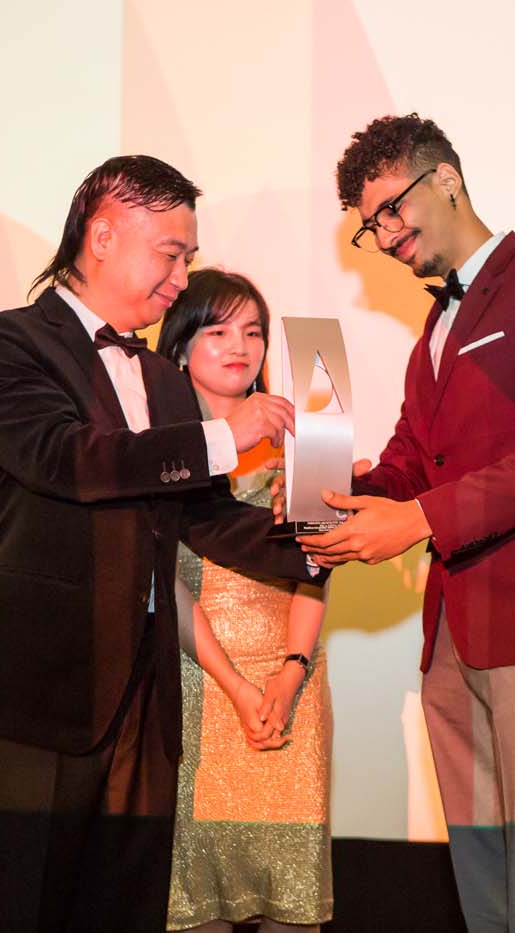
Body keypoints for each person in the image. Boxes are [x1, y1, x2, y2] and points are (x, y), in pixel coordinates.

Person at [0, 155, 323, 933]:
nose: (182, 278)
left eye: (188, 257)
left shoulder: (161, 376)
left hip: (145, 707)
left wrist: (327, 537)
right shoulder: (4, 344)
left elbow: (206, 520)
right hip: (37, 694)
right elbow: (70, 459)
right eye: (171, 254)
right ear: (104, 235)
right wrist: (224, 436)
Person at [298, 114, 515, 931]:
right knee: (486, 894)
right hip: (455, 640)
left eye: (389, 209)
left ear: (446, 178)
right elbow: (414, 459)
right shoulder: (434, 330)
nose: (383, 236)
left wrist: (417, 517)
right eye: (369, 226)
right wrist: (327, 490)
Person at [155, 269, 333, 932]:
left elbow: (318, 568)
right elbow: (160, 575)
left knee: (292, 898)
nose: (240, 345)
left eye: (253, 331)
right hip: (194, 680)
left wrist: (290, 673)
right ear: (180, 345)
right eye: (219, 330)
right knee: (192, 900)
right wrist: (233, 684)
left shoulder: (306, 431)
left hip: (292, 684)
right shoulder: (157, 444)